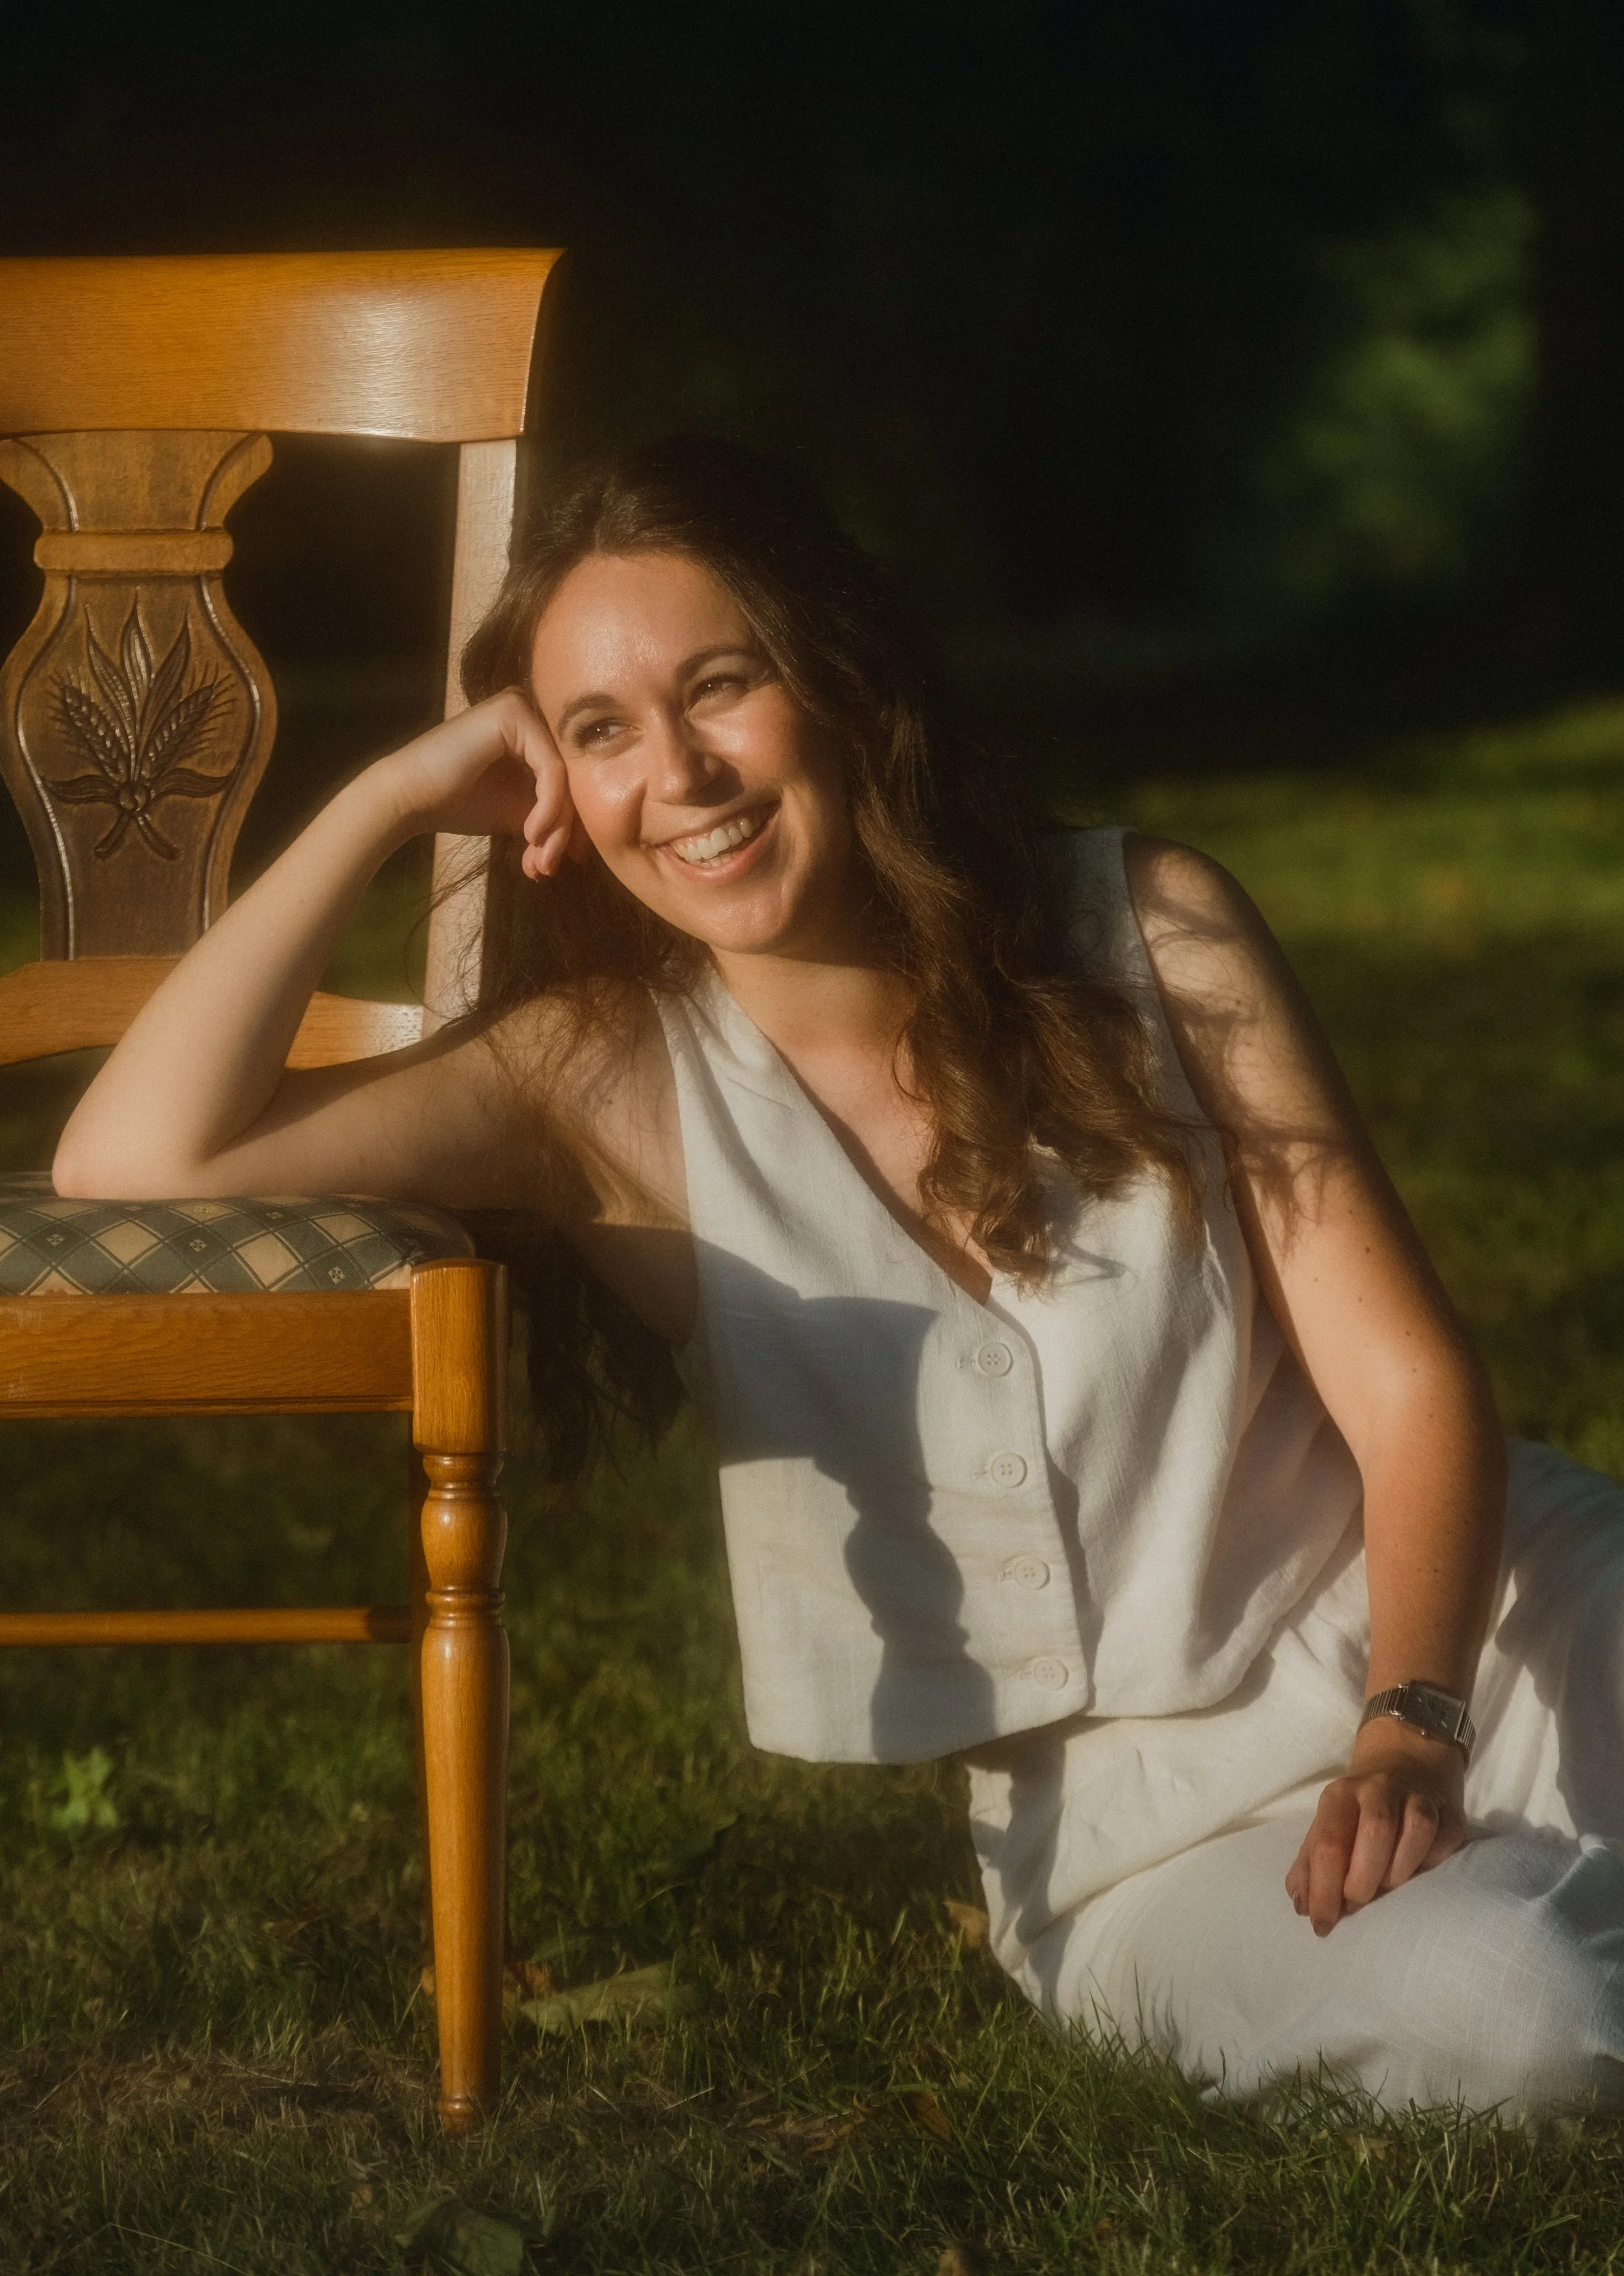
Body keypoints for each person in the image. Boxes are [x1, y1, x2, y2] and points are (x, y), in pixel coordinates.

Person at [54, 436, 1624, 2118]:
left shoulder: (1144, 925)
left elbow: (1404, 1384)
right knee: (1525, 2025)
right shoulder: (594, 1083)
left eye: (717, 688)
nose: (679, 772)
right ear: (553, 796)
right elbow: (135, 1163)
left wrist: (1411, 1719)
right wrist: (382, 800)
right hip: (1133, 1835)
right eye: (599, 733)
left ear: (837, 683)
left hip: (1476, 1619)